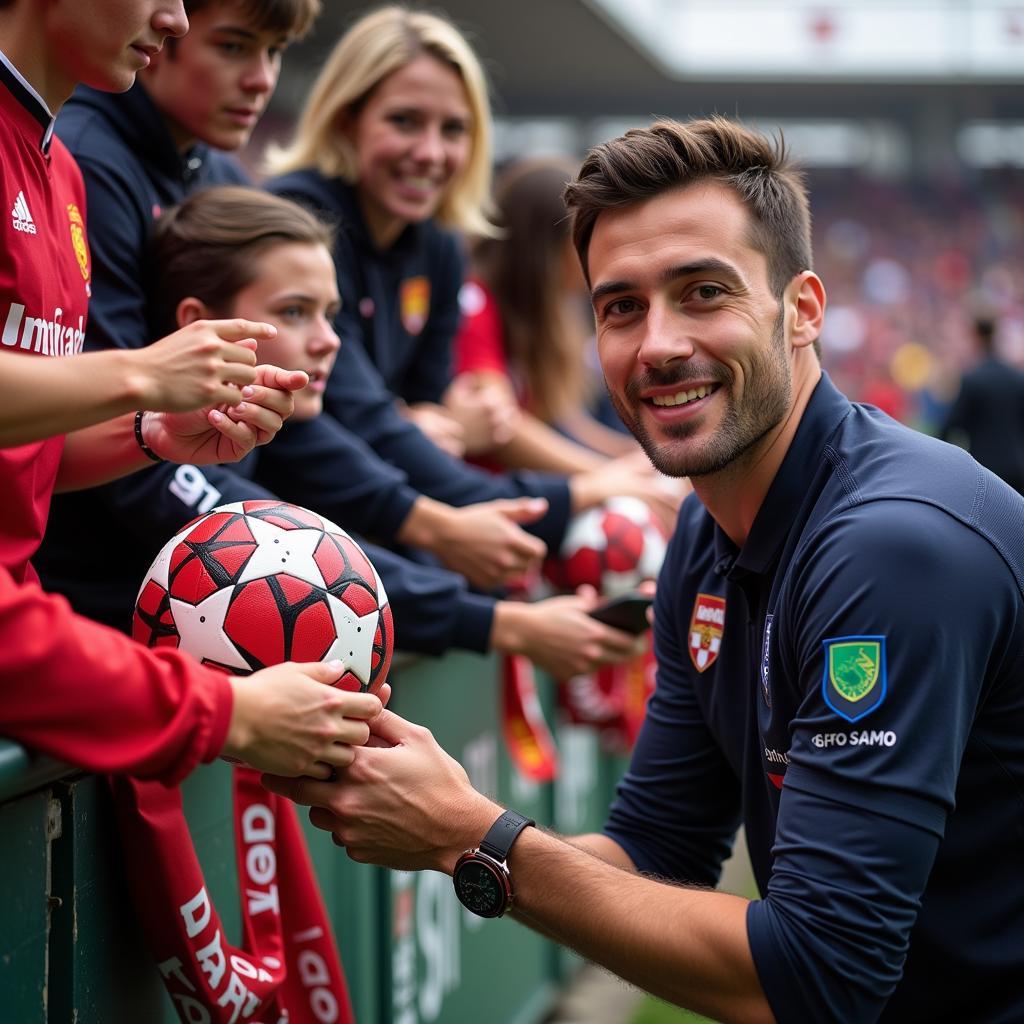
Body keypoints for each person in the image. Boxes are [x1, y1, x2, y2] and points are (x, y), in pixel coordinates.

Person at [267, 118, 1024, 1023]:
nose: (657, 344)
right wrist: (450, 826)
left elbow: (820, 975)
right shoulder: (706, 538)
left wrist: (477, 837)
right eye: (620, 307)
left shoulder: (893, 548)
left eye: (704, 291)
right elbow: (657, 848)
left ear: (804, 309)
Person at [0, 0, 382, 784]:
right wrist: (139, 373)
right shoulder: (88, 158)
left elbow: (23, 455)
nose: (173, 17)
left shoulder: (60, 170)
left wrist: (149, 434)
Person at [264, 5, 677, 524]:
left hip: (385, 513)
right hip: (285, 520)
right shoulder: (296, 222)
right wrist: (570, 494)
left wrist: (424, 422)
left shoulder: (437, 244)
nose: (430, 152)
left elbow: (432, 412)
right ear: (346, 118)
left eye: (454, 129)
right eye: (404, 121)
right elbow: (356, 419)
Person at [454, 157, 641, 472]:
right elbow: (503, 426)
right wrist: (610, 474)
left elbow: (562, 419)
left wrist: (636, 459)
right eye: (582, 242)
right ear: (544, 248)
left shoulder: (549, 314)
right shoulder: (475, 303)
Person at [940, 312, 1024, 494]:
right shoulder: (1017, 378)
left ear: (975, 336)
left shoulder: (973, 379)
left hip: (984, 470)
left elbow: (952, 426)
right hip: (1017, 468)